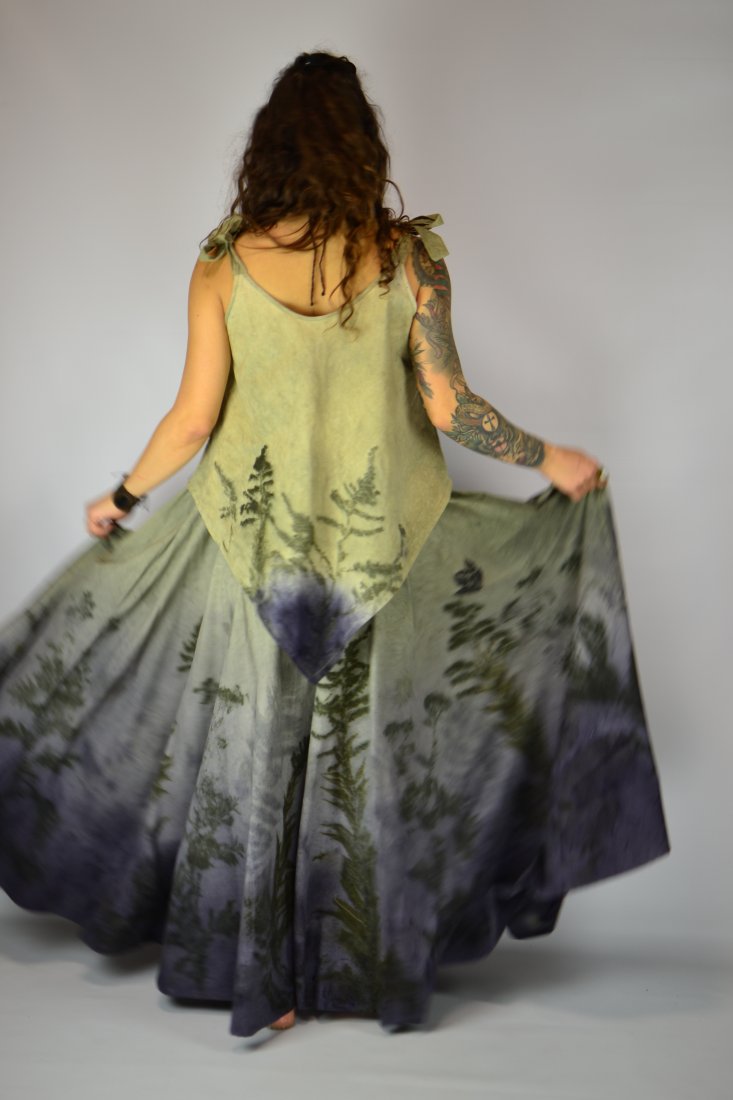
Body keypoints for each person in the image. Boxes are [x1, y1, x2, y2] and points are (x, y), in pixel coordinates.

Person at [0, 52, 670, 1037]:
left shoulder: (222, 264)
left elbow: (192, 421)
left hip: (252, 558)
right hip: (378, 561)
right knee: (363, 767)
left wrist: (124, 495)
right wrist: (549, 457)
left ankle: (263, 984)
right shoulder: (409, 260)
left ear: (268, 149)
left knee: (255, 763)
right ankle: (364, 972)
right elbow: (447, 405)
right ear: (362, 147)